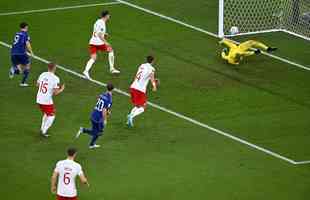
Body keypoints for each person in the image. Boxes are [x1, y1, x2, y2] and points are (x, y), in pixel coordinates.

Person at [83, 10, 120, 79]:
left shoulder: (97, 21)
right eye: (108, 15)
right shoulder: (102, 23)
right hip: (98, 43)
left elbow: (96, 31)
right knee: (110, 50)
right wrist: (105, 42)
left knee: (93, 58)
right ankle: (112, 69)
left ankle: (86, 71)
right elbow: (99, 34)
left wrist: (104, 34)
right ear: (106, 16)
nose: (109, 16)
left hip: (92, 42)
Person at [76, 83, 114, 149]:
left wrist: (107, 110)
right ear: (113, 89)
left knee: (95, 131)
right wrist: (105, 119)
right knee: (99, 133)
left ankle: (91, 144)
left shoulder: (102, 94)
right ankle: (83, 130)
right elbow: (104, 110)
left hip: (94, 114)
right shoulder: (109, 99)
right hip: (99, 118)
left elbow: (98, 100)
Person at [127, 56, 157, 127]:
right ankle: (131, 116)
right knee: (143, 106)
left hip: (133, 87)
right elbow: (152, 78)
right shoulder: (152, 69)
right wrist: (154, 86)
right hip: (140, 90)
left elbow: (139, 76)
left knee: (137, 105)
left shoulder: (142, 65)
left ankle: (129, 120)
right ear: (152, 61)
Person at [36, 63, 65, 137]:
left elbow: (38, 85)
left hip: (39, 98)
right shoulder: (55, 78)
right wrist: (61, 89)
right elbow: (55, 93)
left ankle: (42, 129)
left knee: (47, 113)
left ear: (48, 67)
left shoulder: (43, 74)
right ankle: (44, 131)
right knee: (52, 115)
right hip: (46, 100)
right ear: (55, 68)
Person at [9, 22, 34, 86]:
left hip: (13, 53)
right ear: (26, 27)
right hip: (21, 53)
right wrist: (31, 52)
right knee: (27, 66)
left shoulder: (17, 33)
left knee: (20, 71)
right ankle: (23, 82)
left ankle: (14, 70)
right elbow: (27, 44)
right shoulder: (25, 34)